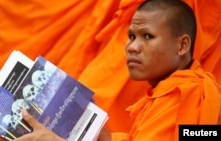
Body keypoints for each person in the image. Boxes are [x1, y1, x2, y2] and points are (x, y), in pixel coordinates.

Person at [12, 0, 221, 141]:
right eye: (130, 36)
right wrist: (105, 137)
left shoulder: (186, 93)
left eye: (148, 37)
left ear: (183, 45)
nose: (132, 47)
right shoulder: (164, 94)